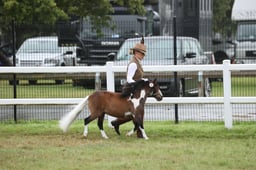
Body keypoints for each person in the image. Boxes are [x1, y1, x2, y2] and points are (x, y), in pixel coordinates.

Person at [111, 36, 146, 138]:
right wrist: (139, 82)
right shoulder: (133, 64)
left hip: (136, 89)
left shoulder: (137, 62)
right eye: (142, 53)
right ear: (136, 53)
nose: (143, 55)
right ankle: (139, 132)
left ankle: (117, 123)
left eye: (144, 53)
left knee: (134, 112)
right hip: (131, 89)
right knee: (136, 111)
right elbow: (129, 78)